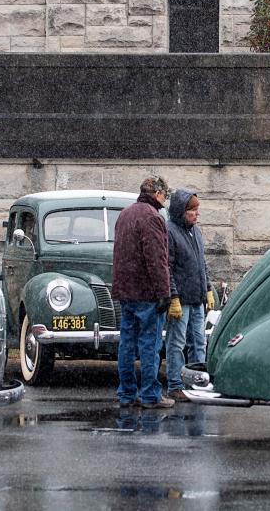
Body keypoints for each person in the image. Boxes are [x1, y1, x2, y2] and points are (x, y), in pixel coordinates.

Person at [113, 175, 175, 409]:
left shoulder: (125, 214)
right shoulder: (153, 218)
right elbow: (157, 260)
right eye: (165, 195)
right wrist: (164, 292)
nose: (165, 200)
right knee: (150, 345)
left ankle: (127, 393)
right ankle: (151, 395)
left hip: (125, 291)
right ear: (157, 193)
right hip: (147, 293)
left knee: (127, 344)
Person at [164, 189, 213, 401]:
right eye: (193, 210)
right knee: (177, 342)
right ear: (182, 211)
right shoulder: (170, 232)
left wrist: (208, 289)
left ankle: (197, 382)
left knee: (199, 341)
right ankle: (175, 384)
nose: (196, 214)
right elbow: (168, 267)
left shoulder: (196, 232)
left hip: (196, 298)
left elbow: (202, 264)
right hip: (181, 299)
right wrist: (173, 296)